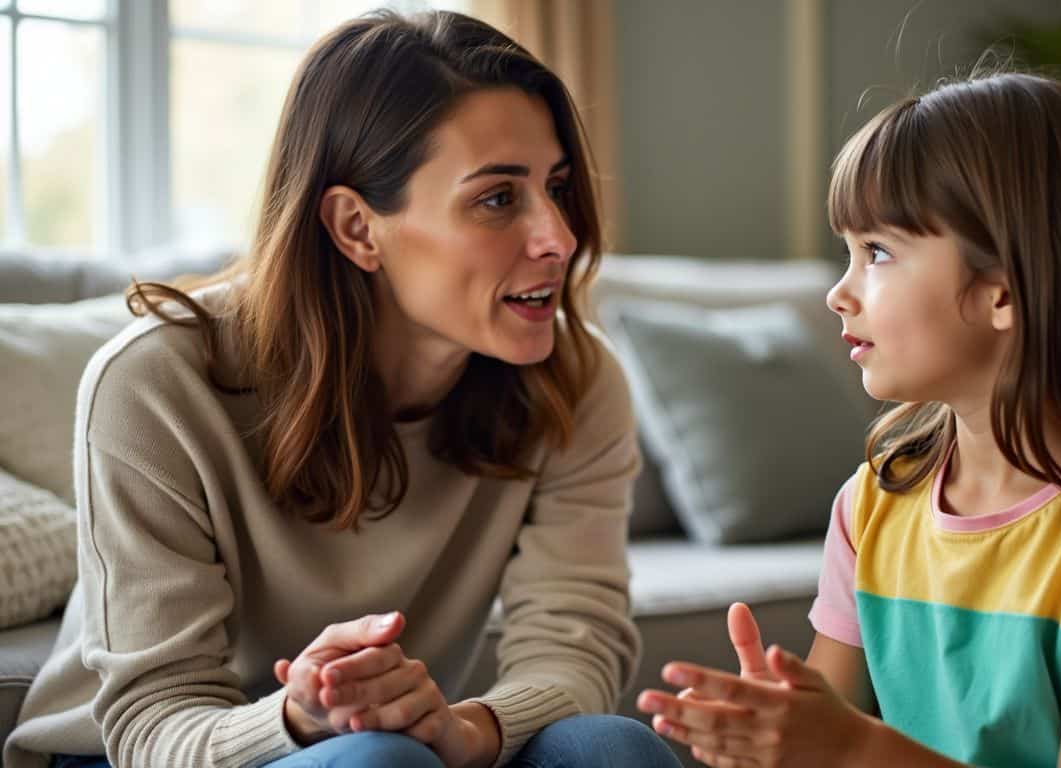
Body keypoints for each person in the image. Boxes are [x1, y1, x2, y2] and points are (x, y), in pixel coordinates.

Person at [4, 10, 679, 768]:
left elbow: (573, 647)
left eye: (556, 187)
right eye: (497, 198)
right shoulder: (153, 385)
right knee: (375, 763)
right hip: (136, 756)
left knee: (610, 751)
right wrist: (297, 717)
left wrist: (467, 731)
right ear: (357, 227)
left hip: (389, 752)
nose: (558, 235)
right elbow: (152, 723)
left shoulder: (575, 379)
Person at [637, 72, 1061, 768]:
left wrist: (849, 746)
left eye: (876, 252)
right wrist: (776, 743)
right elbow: (832, 743)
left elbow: (851, 747)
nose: (837, 293)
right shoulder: (873, 504)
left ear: (1004, 293)